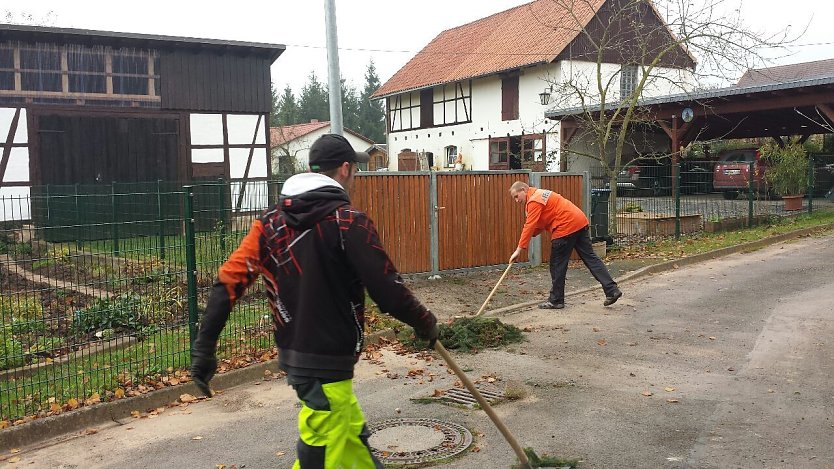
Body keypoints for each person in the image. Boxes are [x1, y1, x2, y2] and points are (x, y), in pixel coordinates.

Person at [189, 134, 439, 469]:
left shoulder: (269, 225)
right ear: (346, 169)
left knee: (350, 443)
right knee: (323, 449)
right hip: (328, 361)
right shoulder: (349, 221)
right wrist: (425, 322)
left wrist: (204, 348)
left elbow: (227, 284)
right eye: (355, 172)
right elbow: (388, 290)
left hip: (297, 357)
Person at [508, 181, 622, 309]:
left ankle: (556, 300)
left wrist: (519, 249)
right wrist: (532, 233)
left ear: (523, 189)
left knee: (557, 265)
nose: (517, 201)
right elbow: (539, 224)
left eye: (516, 196)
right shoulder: (540, 195)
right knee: (591, 258)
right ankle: (612, 290)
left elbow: (529, 226)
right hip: (580, 222)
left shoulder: (534, 200)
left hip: (565, 227)